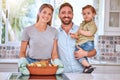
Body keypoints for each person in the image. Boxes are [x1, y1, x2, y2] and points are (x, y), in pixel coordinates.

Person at [18, 3, 64, 75]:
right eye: (44, 12)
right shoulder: (27, 30)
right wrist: (22, 61)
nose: (46, 16)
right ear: (39, 13)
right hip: (30, 65)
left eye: (49, 14)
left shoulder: (54, 31)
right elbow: (22, 52)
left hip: (47, 65)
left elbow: (54, 53)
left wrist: (57, 62)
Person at [57, 2, 96, 73]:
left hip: (82, 74)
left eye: (69, 12)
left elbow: (94, 52)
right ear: (59, 15)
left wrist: (85, 53)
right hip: (64, 74)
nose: (66, 15)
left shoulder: (82, 30)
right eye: (63, 12)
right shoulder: (55, 33)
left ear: (72, 15)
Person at [70, 5, 97, 73]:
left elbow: (94, 52)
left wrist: (85, 53)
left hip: (87, 43)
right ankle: (87, 67)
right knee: (80, 55)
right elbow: (80, 36)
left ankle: (88, 66)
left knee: (77, 53)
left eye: (88, 13)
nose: (86, 15)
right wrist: (75, 36)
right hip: (84, 42)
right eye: (84, 14)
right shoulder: (83, 24)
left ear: (93, 14)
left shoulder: (92, 24)